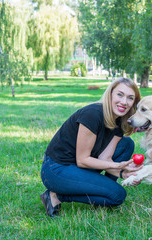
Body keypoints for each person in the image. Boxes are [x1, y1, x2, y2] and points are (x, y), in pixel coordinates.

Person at [40, 77, 142, 217]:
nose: (124, 102)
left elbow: (105, 158)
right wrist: (118, 166)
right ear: (110, 94)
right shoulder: (93, 114)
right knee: (117, 195)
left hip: (80, 166)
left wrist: (122, 173)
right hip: (56, 169)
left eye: (130, 98)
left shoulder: (119, 121)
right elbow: (82, 160)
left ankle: (101, 186)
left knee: (127, 144)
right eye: (120, 94)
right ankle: (56, 196)